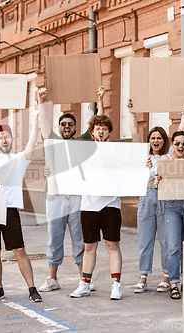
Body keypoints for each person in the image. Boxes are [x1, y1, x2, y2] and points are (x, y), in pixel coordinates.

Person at [0, 96, 42, 302]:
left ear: (12, 140)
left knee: (19, 249)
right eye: (1, 137)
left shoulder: (19, 159)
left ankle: (32, 289)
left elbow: (32, 142)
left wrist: (36, 119)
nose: (4, 139)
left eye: (7, 136)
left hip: (10, 209)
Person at [37, 87, 104, 292]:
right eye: (63, 124)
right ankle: (52, 279)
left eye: (70, 124)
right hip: (55, 196)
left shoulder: (83, 141)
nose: (67, 126)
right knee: (54, 237)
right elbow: (42, 121)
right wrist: (40, 99)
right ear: (59, 127)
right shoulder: (53, 140)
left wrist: (99, 99)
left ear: (76, 128)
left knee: (79, 238)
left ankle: (84, 280)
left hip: (77, 197)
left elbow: (99, 122)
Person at [127, 100, 184, 294]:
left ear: (165, 141)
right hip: (146, 197)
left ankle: (166, 276)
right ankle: (143, 277)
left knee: (167, 240)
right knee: (144, 240)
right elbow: (134, 133)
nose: (156, 141)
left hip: (166, 197)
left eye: (159, 138)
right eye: (153, 138)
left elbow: (180, 133)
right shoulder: (143, 155)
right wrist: (131, 112)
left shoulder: (170, 155)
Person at [69, 105, 124, 300]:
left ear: (109, 131)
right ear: (92, 132)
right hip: (89, 205)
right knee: (89, 246)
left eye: (104, 128)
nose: (101, 131)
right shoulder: (83, 151)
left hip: (110, 204)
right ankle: (85, 284)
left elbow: (129, 169)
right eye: (97, 128)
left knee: (112, 245)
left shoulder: (117, 151)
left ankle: (115, 285)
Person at [155, 129, 184, 299]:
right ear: (172, 145)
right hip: (172, 205)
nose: (180, 146)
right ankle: (174, 283)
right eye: (177, 143)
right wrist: (157, 180)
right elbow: (160, 180)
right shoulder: (164, 160)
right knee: (173, 246)